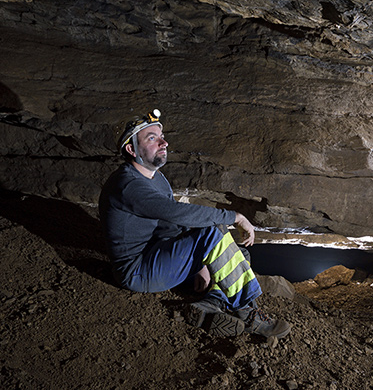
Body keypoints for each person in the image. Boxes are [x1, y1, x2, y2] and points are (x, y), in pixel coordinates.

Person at [99, 109, 290, 339]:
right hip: (138, 271)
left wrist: (200, 263)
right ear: (131, 149)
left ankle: (209, 305)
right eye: (152, 138)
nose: (164, 142)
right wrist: (235, 217)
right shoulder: (128, 186)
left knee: (236, 257)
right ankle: (248, 313)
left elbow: (169, 225)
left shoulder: (155, 178)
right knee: (215, 234)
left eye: (161, 136)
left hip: (161, 255)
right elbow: (179, 214)